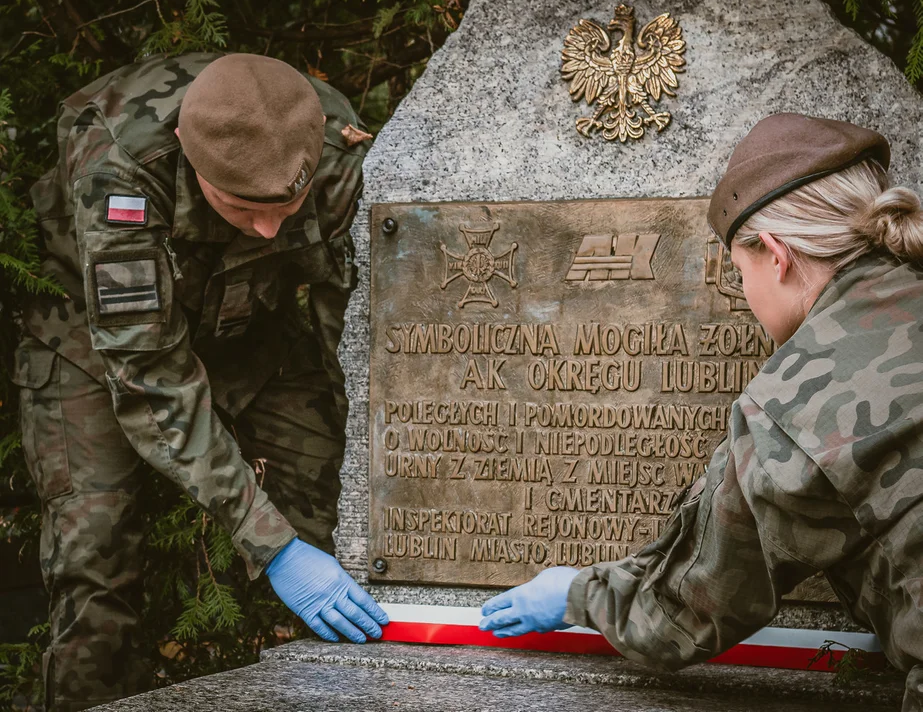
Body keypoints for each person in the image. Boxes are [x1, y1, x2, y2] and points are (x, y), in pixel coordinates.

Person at [479, 114, 923, 711]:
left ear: (775, 255)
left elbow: (686, 610)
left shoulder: (794, 407)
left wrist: (577, 595)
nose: (745, 299)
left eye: (738, 274)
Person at [11, 52, 388, 711]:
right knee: (96, 552)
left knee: (332, 514)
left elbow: (346, 309)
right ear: (188, 156)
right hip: (93, 337)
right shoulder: (121, 168)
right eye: (244, 208)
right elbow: (152, 374)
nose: (272, 227)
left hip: (252, 321)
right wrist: (269, 546)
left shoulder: (329, 137)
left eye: (285, 204)